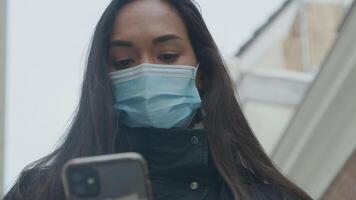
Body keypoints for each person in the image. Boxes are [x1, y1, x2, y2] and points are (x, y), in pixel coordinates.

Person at [3, 0, 312, 199]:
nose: (145, 71)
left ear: (201, 71)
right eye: (124, 62)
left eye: (166, 55)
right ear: (104, 80)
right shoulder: (40, 193)